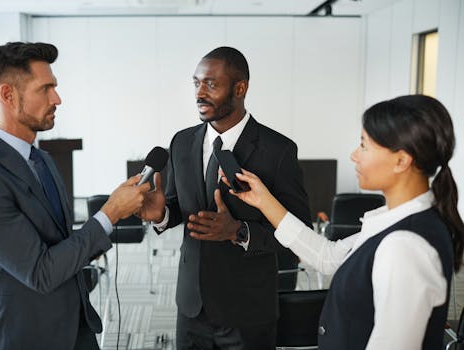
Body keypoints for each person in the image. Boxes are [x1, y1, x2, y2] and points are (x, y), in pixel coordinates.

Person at [0, 42, 151, 350]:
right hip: (23, 336)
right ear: (7, 95)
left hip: (76, 328)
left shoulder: (42, 161)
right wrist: (110, 213)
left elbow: (62, 245)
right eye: (45, 89)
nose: (57, 98)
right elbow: (41, 271)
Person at [218, 94, 464, 349]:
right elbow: (328, 256)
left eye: (364, 146)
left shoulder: (404, 245)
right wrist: (263, 200)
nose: (354, 155)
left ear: (401, 161)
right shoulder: (401, 222)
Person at [139, 46, 311, 349]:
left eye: (211, 84)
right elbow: (179, 206)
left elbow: (300, 235)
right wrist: (162, 214)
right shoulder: (181, 142)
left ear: (240, 88)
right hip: (191, 307)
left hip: (247, 312)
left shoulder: (279, 151)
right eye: (196, 83)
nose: (199, 93)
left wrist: (238, 231)